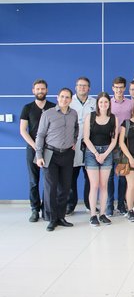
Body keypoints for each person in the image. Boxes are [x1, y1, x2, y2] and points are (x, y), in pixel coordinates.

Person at [35, 88, 78, 232]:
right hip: (50, 154)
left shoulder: (74, 113)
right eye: (62, 97)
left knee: (65, 187)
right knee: (50, 188)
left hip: (67, 154)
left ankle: (61, 217)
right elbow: (40, 135)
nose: (64, 100)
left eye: (67, 97)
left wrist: (74, 140)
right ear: (57, 98)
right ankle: (51, 219)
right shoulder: (48, 114)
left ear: (71, 99)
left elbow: (76, 129)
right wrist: (39, 155)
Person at [19, 79, 55, 222]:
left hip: (50, 149)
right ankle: (35, 209)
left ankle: (47, 209)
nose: (40, 91)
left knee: (50, 181)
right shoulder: (27, 108)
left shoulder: (53, 107)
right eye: (38, 89)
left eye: (43, 89)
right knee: (34, 181)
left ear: (47, 90)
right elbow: (23, 130)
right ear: (33, 91)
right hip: (33, 149)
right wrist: (35, 146)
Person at [83, 92, 119, 227]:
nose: (103, 104)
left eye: (106, 102)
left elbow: (114, 140)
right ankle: (93, 215)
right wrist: (96, 153)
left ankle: (102, 214)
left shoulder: (113, 118)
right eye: (101, 102)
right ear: (97, 104)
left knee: (104, 186)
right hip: (91, 152)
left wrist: (104, 154)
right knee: (94, 185)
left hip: (107, 152)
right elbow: (86, 138)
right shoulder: (90, 117)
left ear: (109, 104)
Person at [68, 76, 96, 215]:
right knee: (71, 177)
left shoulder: (94, 102)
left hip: (89, 144)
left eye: (85, 86)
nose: (82, 88)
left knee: (89, 177)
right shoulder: (69, 101)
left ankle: (89, 204)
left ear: (89, 88)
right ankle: (70, 205)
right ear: (75, 87)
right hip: (72, 143)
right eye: (79, 85)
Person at [107, 76, 134, 216]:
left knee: (123, 176)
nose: (119, 90)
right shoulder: (108, 103)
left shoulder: (130, 104)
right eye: (116, 87)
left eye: (121, 87)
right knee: (110, 176)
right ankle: (109, 205)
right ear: (113, 88)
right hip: (110, 142)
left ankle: (121, 205)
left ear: (124, 88)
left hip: (124, 143)